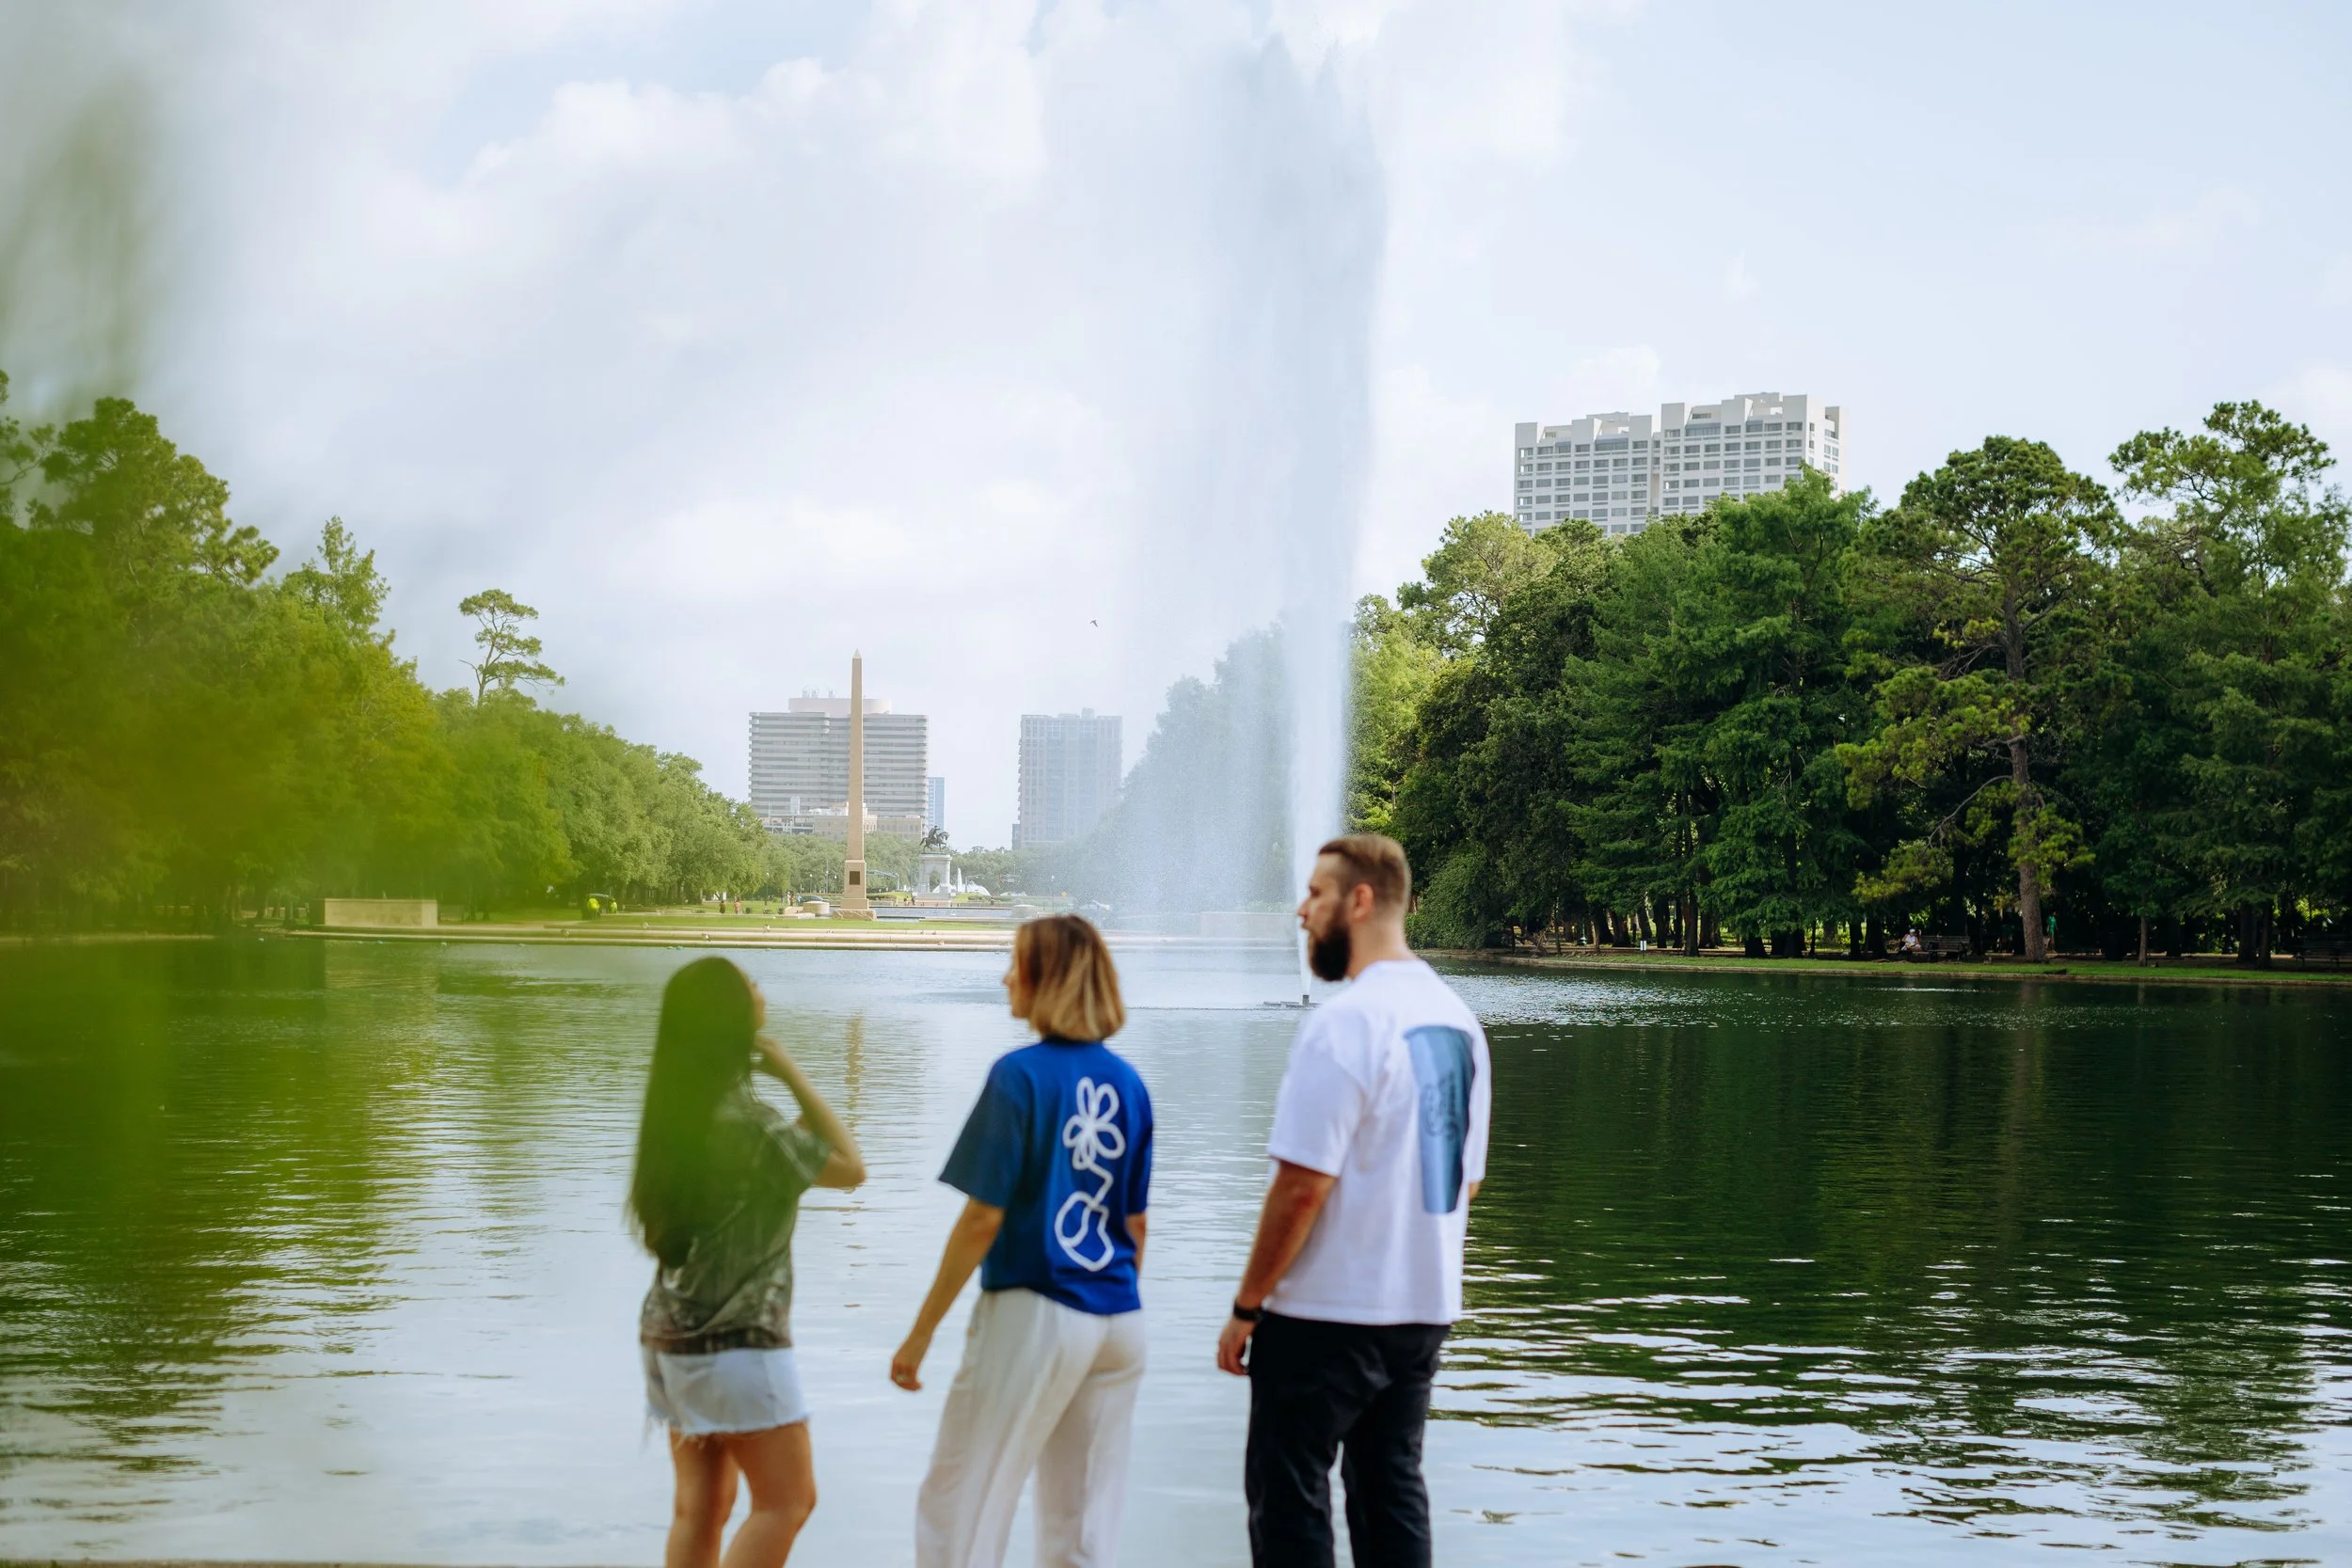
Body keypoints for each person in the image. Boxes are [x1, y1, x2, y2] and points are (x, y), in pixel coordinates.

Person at [1216, 833, 1492, 1568]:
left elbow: (1302, 1186)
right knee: (1390, 1487)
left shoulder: (1345, 1022)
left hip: (1326, 1314)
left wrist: (1248, 1306)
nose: (1301, 912)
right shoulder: (1460, 1022)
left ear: (1361, 900)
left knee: (1290, 1493)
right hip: (1423, 1310)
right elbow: (1465, 1182)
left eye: (1315, 894)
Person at [893, 914, 1154, 1568]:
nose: (1006, 976)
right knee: (1081, 1527)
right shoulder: (1130, 1085)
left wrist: (921, 1331)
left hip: (1037, 1308)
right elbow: (1135, 1226)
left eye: (1017, 963)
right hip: (1118, 1320)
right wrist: (1106, 1302)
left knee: (963, 1506)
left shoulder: (1019, 1076)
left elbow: (984, 1218)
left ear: (1046, 978)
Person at [629, 957, 866, 1568]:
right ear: (730, 1016)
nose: (760, 988)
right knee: (787, 1501)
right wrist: (790, 1070)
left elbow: (784, 1154)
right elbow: (849, 1166)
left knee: (700, 1508)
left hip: (668, 1336)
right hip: (735, 1344)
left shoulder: (680, 1116)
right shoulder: (753, 1125)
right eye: (748, 984)